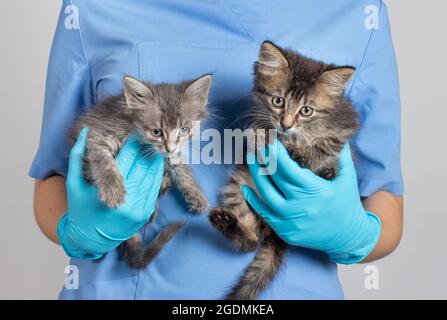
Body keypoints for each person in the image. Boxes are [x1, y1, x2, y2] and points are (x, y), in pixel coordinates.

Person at [31, 0, 403, 299]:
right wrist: (80, 229)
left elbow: (387, 202)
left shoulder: (357, 12)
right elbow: (51, 179)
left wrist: (353, 234)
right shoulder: (90, 8)